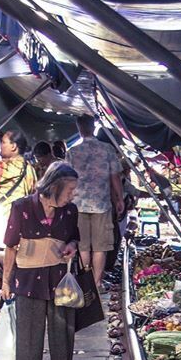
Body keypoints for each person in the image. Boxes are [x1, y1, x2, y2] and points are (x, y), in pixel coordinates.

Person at [2, 162, 80, 360]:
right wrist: (6, 281)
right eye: (69, 190)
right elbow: (10, 246)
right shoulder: (22, 207)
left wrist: (71, 246)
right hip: (28, 277)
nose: (72, 195)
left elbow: (74, 237)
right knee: (28, 326)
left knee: (62, 324)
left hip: (59, 276)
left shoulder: (70, 211)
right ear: (54, 187)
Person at [67, 114, 124, 288]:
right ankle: (97, 283)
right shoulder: (107, 150)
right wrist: (119, 199)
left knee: (83, 246)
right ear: (93, 128)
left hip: (78, 205)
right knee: (100, 247)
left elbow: (67, 179)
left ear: (79, 129)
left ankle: (85, 282)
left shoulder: (72, 152)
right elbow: (115, 177)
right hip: (101, 204)